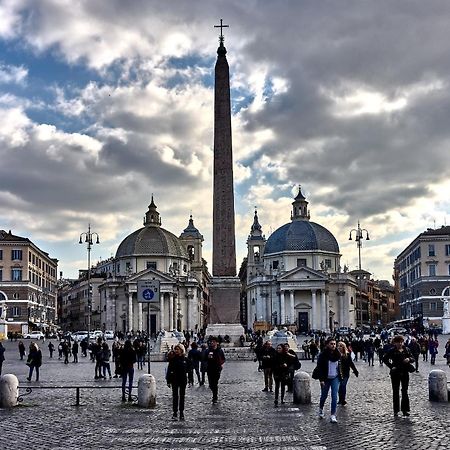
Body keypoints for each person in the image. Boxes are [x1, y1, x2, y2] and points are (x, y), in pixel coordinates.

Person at [383, 335, 414, 417]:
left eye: (401, 342)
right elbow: (384, 359)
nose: (400, 344)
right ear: (395, 343)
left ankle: (405, 410)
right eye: (398, 342)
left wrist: (409, 359)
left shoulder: (406, 349)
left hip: (405, 372)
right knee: (395, 392)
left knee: (405, 391)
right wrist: (391, 366)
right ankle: (396, 410)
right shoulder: (392, 350)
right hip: (395, 372)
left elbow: (413, 358)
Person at [315, 337, 341, 423]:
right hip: (325, 378)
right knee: (324, 396)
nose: (333, 345)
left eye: (334, 344)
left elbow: (340, 366)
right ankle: (321, 408)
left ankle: (333, 415)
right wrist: (321, 379)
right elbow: (320, 368)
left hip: (335, 377)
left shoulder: (338, 354)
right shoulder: (322, 355)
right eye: (331, 344)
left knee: (334, 396)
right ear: (327, 344)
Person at [166, 343, 192, 421]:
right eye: (175, 349)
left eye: (177, 349)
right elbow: (169, 370)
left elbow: (190, 368)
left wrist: (190, 378)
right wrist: (168, 380)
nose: (176, 351)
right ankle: (175, 412)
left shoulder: (185, 359)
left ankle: (181, 412)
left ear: (181, 350)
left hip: (183, 380)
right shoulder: (173, 359)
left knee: (182, 396)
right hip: (174, 380)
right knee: (175, 396)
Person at [337, 341, 359, 406]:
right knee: (339, 387)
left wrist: (355, 371)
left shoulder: (347, 355)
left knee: (343, 385)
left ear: (344, 347)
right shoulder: (336, 355)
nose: (339, 347)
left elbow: (351, 364)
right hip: (338, 373)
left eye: (341, 346)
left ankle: (343, 400)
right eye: (338, 346)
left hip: (345, 373)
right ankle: (340, 399)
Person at [206, 337, 225, 403]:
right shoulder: (208, 350)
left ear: (217, 343)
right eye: (211, 341)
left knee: (215, 383)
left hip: (217, 369)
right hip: (209, 368)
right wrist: (207, 357)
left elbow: (223, 359)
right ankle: (214, 393)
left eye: (213, 341)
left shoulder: (220, 351)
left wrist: (220, 363)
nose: (212, 343)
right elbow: (204, 358)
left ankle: (215, 396)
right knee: (211, 384)